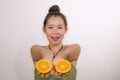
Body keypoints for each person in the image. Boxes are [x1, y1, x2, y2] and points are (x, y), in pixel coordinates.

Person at [31, 5, 81, 80]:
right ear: (44, 29)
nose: (55, 32)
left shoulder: (71, 50)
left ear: (66, 29)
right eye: (50, 27)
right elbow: (36, 49)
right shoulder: (38, 50)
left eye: (60, 27)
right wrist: (47, 55)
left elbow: (76, 48)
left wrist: (62, 55)